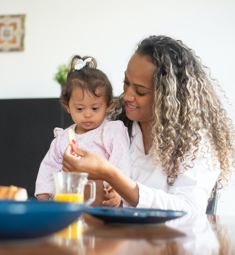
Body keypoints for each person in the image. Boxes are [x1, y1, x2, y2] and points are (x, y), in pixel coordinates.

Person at [62, 35, 235, 213]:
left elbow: (189, 209)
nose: (127, 96)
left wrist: (110, 175)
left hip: (170, 240)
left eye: (140, 91)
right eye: (126, 83)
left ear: (168, 98)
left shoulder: (196, 142)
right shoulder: (114, 128)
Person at [35, 55, 131, 206]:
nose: (87, 114)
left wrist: (118, 192)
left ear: (109, 105)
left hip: (101, 202)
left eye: (95, 108)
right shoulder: (63, 138)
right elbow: (49, 166)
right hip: (66, 206)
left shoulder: (112, 132)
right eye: (79, 108)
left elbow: (121, 163)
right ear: (67, 106)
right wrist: (43, 196)